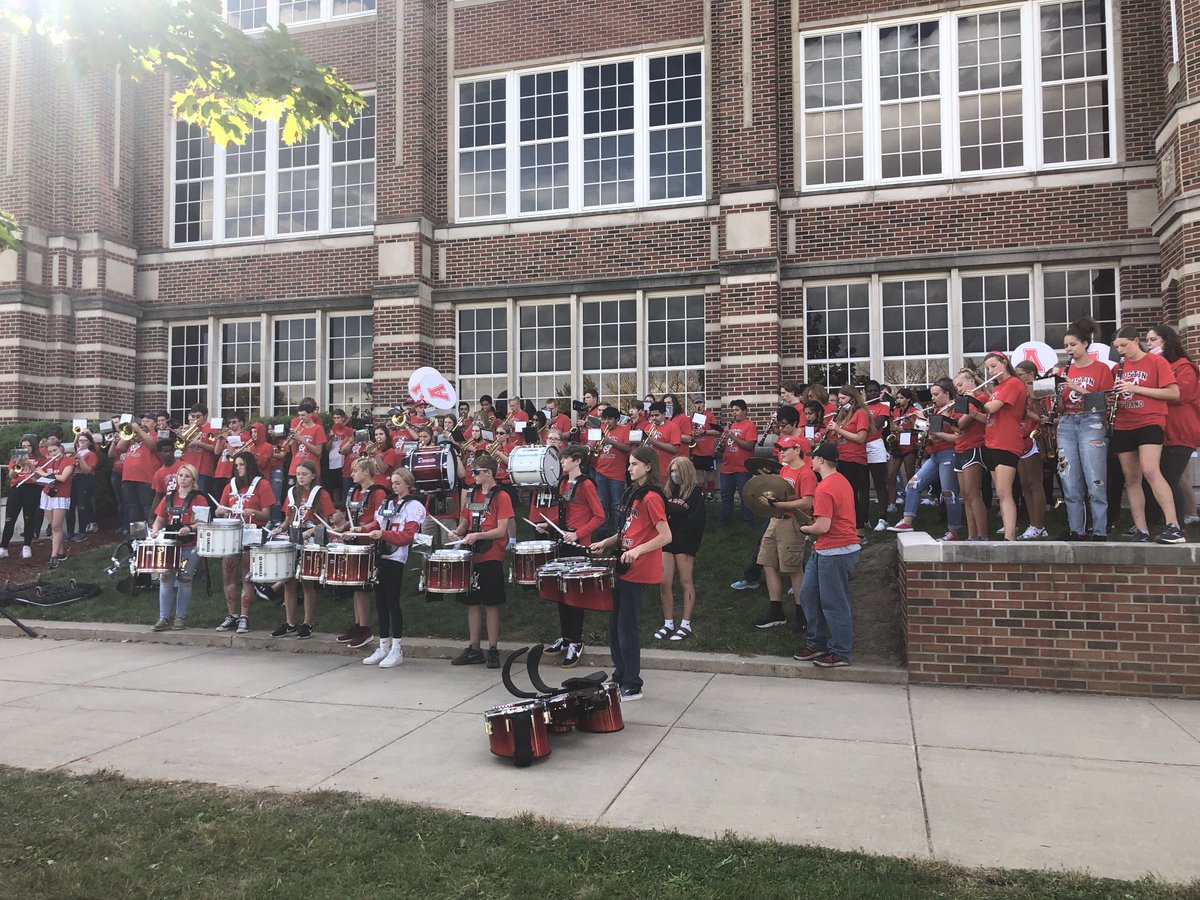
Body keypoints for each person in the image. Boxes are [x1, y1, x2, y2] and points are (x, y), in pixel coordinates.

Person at [588, 445, 670, 701]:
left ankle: (633, 683)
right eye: (629, 463)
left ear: (648, 466)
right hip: (621, 565)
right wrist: (608, 542)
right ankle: (620, 675)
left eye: (634, 464)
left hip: (637, 568)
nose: (629, 468)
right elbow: (628, 530)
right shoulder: (633, 493)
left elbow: (666, 536)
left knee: (627, 628)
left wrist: (638, 551)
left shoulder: (652, 497)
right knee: (614, 626)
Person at [531, 444, 605, 666]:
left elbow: (599, 516)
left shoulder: (587, 484)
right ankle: (565, 637)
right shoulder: (562, 482)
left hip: (578, 546)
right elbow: (561, 512)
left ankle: (576, 641)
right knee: (561, 593)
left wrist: (578, 534)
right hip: (561, 542)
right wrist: (547, 525)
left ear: (577, 461)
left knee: (575, 596)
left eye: (565, 459)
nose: (561, 462)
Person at [1111, 326, 1185, 543]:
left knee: (1151, 470)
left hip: (1150, 421)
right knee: (1131, 478)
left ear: (1136, 341)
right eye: (1117, 347)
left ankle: (1174, 526)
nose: (1121, 350)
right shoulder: (1117, 368)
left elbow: (1173, 393)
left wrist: (1136, 389)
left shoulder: (1156, 362)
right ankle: (1141, 529)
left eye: (1124, 345)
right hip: (1124, 423)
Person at [794, 443, 860, 668]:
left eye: (813, 457)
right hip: (825, 549)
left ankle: (841, 652)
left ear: (821, 460)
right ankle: (817, 643)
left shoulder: (825, 487)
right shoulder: (841, 480)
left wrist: (804, 528)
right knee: (808, 594)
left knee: (834, 603)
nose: (810, 460)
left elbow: (822, 526)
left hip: (836, 550)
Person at [449, 454, 513, 668]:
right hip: (471, 554)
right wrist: (457, 532)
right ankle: (474, 648)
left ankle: (493, 648)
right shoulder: (471, 494)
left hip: (492, 555)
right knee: (472, 603)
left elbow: (501, 530)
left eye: (476, 471)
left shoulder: (501, 496)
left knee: (491, 603)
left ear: (488, 473)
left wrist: (478, 535)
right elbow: (464, 521)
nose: (472, 475)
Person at [360, 467, 427, 668]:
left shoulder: (414, 505)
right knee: (379, 602)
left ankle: (397, 648)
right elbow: (377, 524)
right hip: (381, 554)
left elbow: (408, 535)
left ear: (408, 483)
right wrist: (360, 529)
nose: (394, 486)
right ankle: (383, 645)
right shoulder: (388, 502)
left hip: (396, 557)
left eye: (398, 483)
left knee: (392, 602)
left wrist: (384, 535)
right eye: (393, 483)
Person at [269, 460, 342, 639]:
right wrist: (281, 528)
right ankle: (290, 623)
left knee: (307, 582)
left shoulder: (321, 494)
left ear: (313, 475)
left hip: (311, 541)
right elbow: (289, 518)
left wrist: (312, 531)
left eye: (304, 474)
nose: (300, 477)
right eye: (298, 474)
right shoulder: (292, 492)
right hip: (294, 538)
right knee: (289, 582)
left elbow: (329, 521)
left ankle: (307, 623)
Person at [1056, 319, 1114, 540]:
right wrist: (1054, 398)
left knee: (1095, 479)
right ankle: (1076, 530)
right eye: (1066, 346)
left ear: (1086, 344)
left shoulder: (1100, 369)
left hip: (1092, 422)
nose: (1069, 349)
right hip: (1067, 422)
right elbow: (1061, 405)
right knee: (1069, 480)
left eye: (1073, 344)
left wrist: (1076, 387)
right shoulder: (1064, 370)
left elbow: (1104, 403)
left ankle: (1099, 531)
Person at [751, 435, 817, 629]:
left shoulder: (806, 473)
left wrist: (781, 504)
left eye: (786, 449)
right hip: (776, 519)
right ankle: (776, 611)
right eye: (780, 448)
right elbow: (781, 491)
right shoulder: (786, 469)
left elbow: (807, 502)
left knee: (793, 569)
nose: (781, 452)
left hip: (792, 522)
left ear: (797, 450)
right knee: (767, 563)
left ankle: (802, 614)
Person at [888, 378, 962, 539]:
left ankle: (954, 531)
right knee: (913, 485)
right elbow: (933, 436)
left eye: (936, 395)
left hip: (949, 453)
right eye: (932, 395)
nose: (933, 398)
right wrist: (922, 426)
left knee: (949, 493)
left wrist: (935, 432)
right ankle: (907, 521)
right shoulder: (936, 410)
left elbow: (959, 437)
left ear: (947, 393)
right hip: (935, 454)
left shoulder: (956, 408)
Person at [1144, 324, 1199, 531]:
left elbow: (1179, 395)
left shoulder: (1185, 367)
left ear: (1166, 341)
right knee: (1158, 476)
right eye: (1147, 340)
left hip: (1181, 430)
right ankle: (1162, 522)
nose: (1148, 344)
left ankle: (1178, 526)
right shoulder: (1158, 365)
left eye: (1153, 340)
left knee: (1168, 478)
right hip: (1163, 430)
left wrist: (1149, 390)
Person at [332, 456, 391, 648]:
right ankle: (358, 625)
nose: (352, 474)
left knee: (362, 587)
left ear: (366, 472)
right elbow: (355, 519)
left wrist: (360, 529)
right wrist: (344, 528)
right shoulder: (355, 492)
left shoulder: (379, 493)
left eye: (355, 470)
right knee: (354, 587)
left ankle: (365, 629)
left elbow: (378, 520)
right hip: (355, 543)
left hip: (370, 544)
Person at [214, 452, 275, 633]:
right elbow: (220, 509)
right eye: (236, 465)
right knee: (228, 577)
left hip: (251, 534)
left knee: (247, 577)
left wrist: (253, 512)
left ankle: (244, 617)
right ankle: (232, 615)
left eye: (241, 465)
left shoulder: (262, 485)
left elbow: (266, 515)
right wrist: (220, 512)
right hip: (232, 535)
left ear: (249, 466)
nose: (238, 468)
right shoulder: (230, 486)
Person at [148, 463, 209, 631]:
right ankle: (163, 617)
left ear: (193, 479)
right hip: (170, 545)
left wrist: (189, 528)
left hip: (189, 544)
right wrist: (154, 531)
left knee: (185, 579)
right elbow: (160, 518)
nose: (183, 479)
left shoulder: (198, 498)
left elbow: (202, 522)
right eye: (180, 475)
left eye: (187, 476)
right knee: (165, 578)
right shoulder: (169, 496)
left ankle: (180, 617)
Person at [976, 352, 1026, 541]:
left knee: (1005, 492)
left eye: (994, 366)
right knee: (1000, 492)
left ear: (1004, 363)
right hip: (992, 440)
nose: (990, 371)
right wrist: (970, 410)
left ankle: (1010, 536)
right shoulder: (998, 387)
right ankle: (1007, 531)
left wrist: (976, 400)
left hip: (1007, 441)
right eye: (988, 368)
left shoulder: (1013, 383)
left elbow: (992, 408)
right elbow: (987, 416)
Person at [655, 456, 706, 641]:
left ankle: (686, 624)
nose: (674, 474)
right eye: (672, 471)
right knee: (664, 581)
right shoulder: (668, 491)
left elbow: (696, 521)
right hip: (667, 540)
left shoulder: (695, 493)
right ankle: (668, 622)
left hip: (686, 542)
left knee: (686, 581)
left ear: (685, 472)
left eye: (677, 471)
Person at [826, 385, 871, 533]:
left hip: (855, 460)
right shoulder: (842, 415)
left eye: (843, 398)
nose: (840, 401)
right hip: (842, 458)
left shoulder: (861, 413)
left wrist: (839, 429)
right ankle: (846, 527)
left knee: (852, 495)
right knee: (842, 496)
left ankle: (860, 530)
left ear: (852, 398)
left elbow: (860, 438)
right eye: (838, 399)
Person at [952, 369, 990, 541]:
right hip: (961, 446)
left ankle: (983, 534)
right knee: (965, 494)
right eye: (956, 387)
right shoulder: (962, 402)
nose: (958, 389)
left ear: (972, 383)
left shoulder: (980, 398)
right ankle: (971, 535)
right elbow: (955, 426)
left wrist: (951, 422)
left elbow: (962, 423)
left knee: (974, 492)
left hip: (974, 446)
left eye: (960, 385)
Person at [1013, 361, 1049, 540]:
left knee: (1035, 483)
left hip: (1035, 436)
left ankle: (1039, 525)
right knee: (1024, 483)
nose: (1017, 377)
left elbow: (1044, 414)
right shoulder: (1018, 390)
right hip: (1021, 436)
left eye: (1020, 374)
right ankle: (1032, 524)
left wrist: (1031, 396)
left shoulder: (1040, 387)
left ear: (1031, 373)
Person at [35, 437, 75, 569]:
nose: (53, 453)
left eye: (55, 450)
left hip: (61, 495)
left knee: (57, 526)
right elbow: (39, 476)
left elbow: (63, 477)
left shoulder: (69, 460)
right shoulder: (47, 461)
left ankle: (53, 557)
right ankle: (61, 553)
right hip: (47, 494)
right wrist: (33, 469)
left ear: (61, 448)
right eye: (50, 451)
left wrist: (44, 474)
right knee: (53, 526)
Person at [718, 399, 758, 527]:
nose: (734, 413)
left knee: (745, 496)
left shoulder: (749, 425)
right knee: (726, 496)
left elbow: (749, 445)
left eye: (737, 410)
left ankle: (748, 523)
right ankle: (725, 522)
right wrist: (720, 447)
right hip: (726, 467)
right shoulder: (729, 426)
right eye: (733, 410)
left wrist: (733, 436)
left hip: (742, 468)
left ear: (744, 411)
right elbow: (724, 446)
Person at [0, 435, 41, 559]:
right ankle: (4, 547)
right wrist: (18, 465)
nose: (26, 448)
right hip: (17, 488)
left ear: (33, 447)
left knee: (29, 518)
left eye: (28, 446)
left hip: (31, 488)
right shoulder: (16, 457)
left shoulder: (39, 458)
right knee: (10, 518)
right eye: (23, 446)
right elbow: (12, 475)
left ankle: (27, 546)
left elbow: (39, 475)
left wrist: (29, 463)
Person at [592, 406, 632, 533]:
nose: (607, 422)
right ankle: (602, 531)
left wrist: (610, 441)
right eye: (605, 419)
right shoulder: (601, 429)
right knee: (602, 503)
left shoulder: (624, 430)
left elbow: (627, 448)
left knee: (616, 505)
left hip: (617, 474)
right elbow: (593, 448)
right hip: (601, 471)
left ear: (617, 419)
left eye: (610, 419)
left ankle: (619, 531)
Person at [885, 389, 921, 511]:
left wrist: (903, 428)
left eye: (901, 398)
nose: (898, 400)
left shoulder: (914, 411)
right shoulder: (895, 411)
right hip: (897, 445)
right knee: (890, 475)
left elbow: (919, 429)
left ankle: (910, 503)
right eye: (897, 398)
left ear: (908, 399)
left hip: (910, 445)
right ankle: (892, 504)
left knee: (910, 475)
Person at [65, 430, 99, 542]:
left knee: (82, 506)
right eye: (80, 441)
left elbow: (87, 470)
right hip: (73, 480)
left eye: (84, 441)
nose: (82, 443)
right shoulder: (75, 451)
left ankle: (82, 531)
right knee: (70, 506)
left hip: (84, 480)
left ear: (89, 443)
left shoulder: (91, 454)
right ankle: (70, 531)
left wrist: (80, 459)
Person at [180, 404, 219, 497]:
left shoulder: (212, 428)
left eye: (198, 416)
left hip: (203, 470)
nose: (195, 419)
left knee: (200, 497)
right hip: (188, 468)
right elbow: (180, 447)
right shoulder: (189, 428)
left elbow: (215, 449)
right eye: (193, 416)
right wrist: (182, 436)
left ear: (205, 416)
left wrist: (198, 443)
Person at [286, 399, 327, 489]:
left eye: (303, 415)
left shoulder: (318, 428)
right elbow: (294, 453)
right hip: (295, 468)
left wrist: (301, 439)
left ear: (311, 414)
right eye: (300, 415)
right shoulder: (298, 428)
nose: (301, 418)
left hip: (310, 469)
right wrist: (292, 442)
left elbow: (318, 451)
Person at [642, 401, 680, 475]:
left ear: (664, 414)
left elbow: (675, 449)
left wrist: (655, 442)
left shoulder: (673, 427)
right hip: (650, 468)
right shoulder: (648, 427)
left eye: (656, 415)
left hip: (665, 468)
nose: (653, 418)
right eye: (652, 415)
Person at [690, 397, 718, 498]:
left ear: (704, 404)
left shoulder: (709, 415)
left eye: (700, 403)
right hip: (697, 449)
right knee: (698, 472)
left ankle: (711, 493)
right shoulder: (692, 416)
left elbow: (717, 431)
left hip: (708, 449)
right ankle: (702, 493)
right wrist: (692, 433)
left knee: (710, 472)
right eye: (696, 403)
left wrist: (704, 432)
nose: (698, 405)